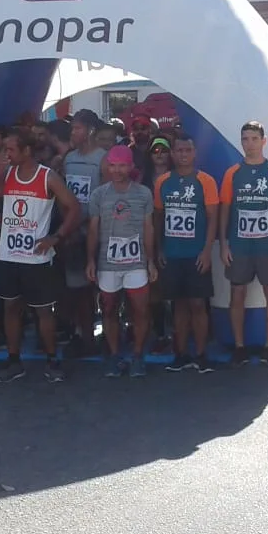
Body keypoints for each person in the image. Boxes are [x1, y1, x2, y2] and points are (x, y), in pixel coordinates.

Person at [0, 128, 81, 383]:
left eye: (11, 149)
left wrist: (55, 238)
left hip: (36, 257)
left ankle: (51, 359)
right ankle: (15, 362)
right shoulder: (7, 174)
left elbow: (73, 208)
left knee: (43, 311)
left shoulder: (48, 177)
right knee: (10, 308)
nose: (6, 154)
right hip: (8, 255)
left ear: (26, 151)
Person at [219, 121, 268, 366]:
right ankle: (240, 347)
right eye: (245, 139)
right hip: (240, 246)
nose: (249, 144)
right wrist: (223, 243)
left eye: (254, 139)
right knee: (237, 293)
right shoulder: (232, 173)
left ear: (264, 141)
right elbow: (224, 210)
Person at [87, 145, 158, 377]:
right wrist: (90, 260)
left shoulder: (143, 193)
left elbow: (149, 229)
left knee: (140, 311)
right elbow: (93, 230)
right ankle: (115, 356)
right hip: (107, 264)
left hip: (136, 263)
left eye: (122, 165)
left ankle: (137, 356)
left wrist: (150, 261)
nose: (117, 170)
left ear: (130, 166)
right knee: (108, 311)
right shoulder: (99, 194)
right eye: (113, 165)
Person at [154, 135, 220, 373]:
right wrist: (159, 248)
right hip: (172, 254)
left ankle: (201, 355)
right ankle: (180, 354)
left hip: (196, 254)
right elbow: (158, 217)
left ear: (194, 153)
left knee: (197, 304)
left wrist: (206, 251)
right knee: (178, 306)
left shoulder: (206, 181)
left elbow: (213, 218)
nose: (183, 154)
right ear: (173, 154)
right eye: (179, 150)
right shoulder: (162, 182)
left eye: (187, 150)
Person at [60, 110, 106, 357]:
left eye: (77, 128)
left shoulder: (103, 159)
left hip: (95, 232)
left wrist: (88, 223)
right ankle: (82, 335)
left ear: (89, 130)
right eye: (72, 129)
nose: (73, 133)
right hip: (73, 232)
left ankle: (100, 336)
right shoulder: (68, 159)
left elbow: (106, 196)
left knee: (96, 288)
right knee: (76, 288)